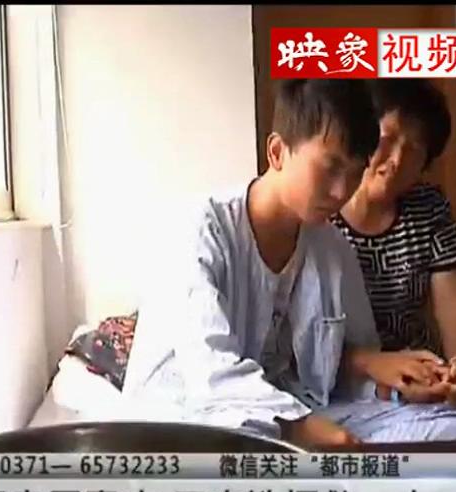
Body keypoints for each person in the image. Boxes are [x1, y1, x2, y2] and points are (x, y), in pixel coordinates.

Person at [122, 79, 384, 448]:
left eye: (356, 174)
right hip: (187, 415)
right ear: (277, 152)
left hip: (293, 407)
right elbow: (209, 369)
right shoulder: (199, 228)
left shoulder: (332, 247)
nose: (342, 191)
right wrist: (298, 427)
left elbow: (339, 366)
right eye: (330, 168)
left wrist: (393, 379)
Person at [323, 79, 456, 440]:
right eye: (387, 139)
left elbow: (454, 300)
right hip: (342, 382)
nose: (396, 160)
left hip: (420, 380)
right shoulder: (321, 210)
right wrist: (376, 368)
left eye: (414, 149)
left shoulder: (428, 207)